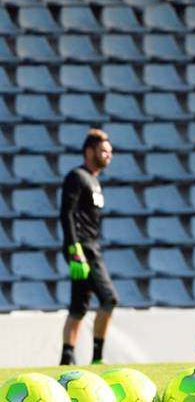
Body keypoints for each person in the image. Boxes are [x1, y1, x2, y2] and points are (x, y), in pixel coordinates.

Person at [59, 128, 116, 365]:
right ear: (89, 151)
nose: (108, 155)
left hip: (90, 247)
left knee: (79, 307)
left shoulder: (95, 181)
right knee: (109, 299)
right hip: (84, 249)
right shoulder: (77, 177)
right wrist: (75, 251)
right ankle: (97, 357)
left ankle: (66, 358)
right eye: (103, 150)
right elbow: (67, 214)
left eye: (110, 152)